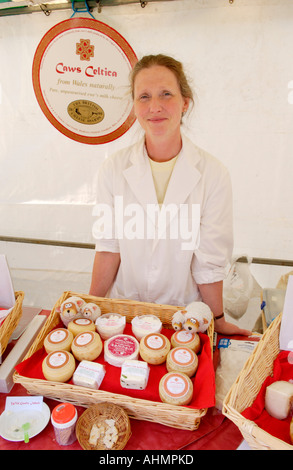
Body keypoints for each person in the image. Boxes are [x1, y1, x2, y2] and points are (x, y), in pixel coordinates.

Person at [89, 54, 251, 336]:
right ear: (134, 105)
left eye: (166, 94)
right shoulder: (113, 169)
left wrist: (217, 319)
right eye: (144, 97)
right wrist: (90, 306)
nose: (155, 106)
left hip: (185, 318)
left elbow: (209, 262)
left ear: (185, 102)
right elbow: (108, 248)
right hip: (124, 315)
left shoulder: (213, 174)